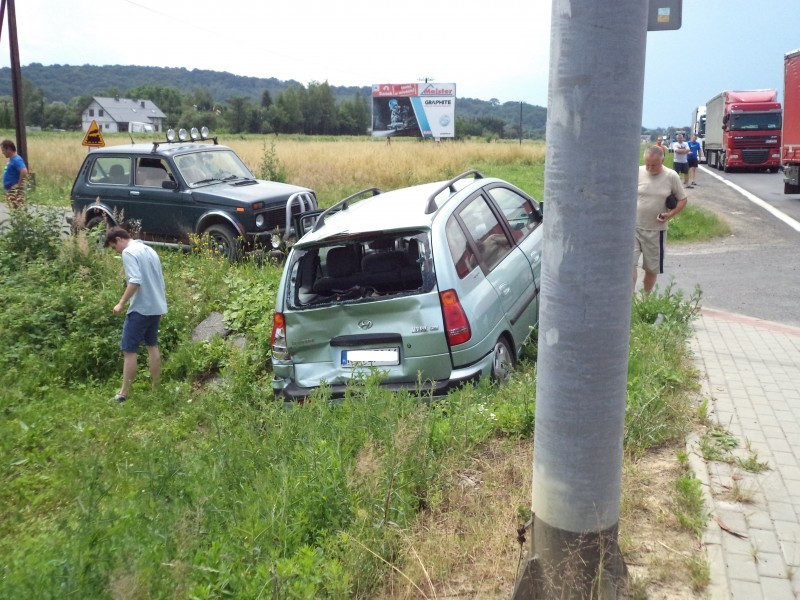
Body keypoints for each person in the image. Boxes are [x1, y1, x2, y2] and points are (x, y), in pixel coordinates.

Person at [105, 227, 168, 403]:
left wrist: (121, 303)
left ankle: (123, 394)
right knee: (152, 346)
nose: (116, 251)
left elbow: (135, 281)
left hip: (140, 308)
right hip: (156, 306)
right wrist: (161, 305)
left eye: (113, 247)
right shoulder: (148, 249)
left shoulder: (129, 252)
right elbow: (160, 279)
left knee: (129, 350)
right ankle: (156, 388)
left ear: (119, 239)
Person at [634, 146, 688, 295]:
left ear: (662, 161)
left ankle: (645, 299)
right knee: (628, 265)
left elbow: (683, 200)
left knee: (652, 269)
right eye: (647, 164)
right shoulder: (637, 172)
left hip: (656, 231)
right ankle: (629, 300)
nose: (650, 168)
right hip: (634, 228)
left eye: (654, 165)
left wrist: (670, 214)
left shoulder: (671, 176)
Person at [1, 139, 28, 208]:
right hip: (10, 189)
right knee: (13, 209)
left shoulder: (17, 159)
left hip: (15, 190)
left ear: (9, 149)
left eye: (3, 150)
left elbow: (24, 171)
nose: (2, 152)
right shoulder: (12, 159)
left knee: (17, 208)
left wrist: (19, 185)